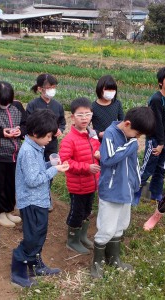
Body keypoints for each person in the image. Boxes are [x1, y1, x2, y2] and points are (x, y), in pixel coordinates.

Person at [90, 106, 155, 279]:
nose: (138, 138)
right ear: (127, 124)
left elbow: (133, 165)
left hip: (126, 190)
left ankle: (113, 258)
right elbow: (108, 158)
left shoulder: (129, 137)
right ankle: (97, 264)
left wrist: (136, 184)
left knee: (120, 225)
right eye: (138, 133)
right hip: (112, 191)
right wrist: (131, 144)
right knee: (107, 227)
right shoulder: (111, 134)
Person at [11, 109, 69, 288]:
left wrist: (49, 164)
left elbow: (36, 170)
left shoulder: (36, 147)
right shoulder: (28, 151)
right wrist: (54, 170)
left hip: (39, 200)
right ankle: (18, 272)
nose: (50, 139)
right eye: (49, 136)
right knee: (32, 237)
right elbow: (33, 180)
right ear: (36, 133)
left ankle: (35, 265)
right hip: (31, 201)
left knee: (39, 234)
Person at [59, 97, 101, 255]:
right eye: (80, 115)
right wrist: (86, 167)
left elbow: (97, 152)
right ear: (72, 117)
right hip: (78, 185)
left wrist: (100, 155)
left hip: (92, 183)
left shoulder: (92, 135)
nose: (84, 118)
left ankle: (82, 237)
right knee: (76, 213)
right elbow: (65, 161)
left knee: (87, 211)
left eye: (87, 114)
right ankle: (72, 240)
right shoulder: (70, 140)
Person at [136, 66, 165, 203]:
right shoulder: (157, 99)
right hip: (155, 141)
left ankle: (156, 195)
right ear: (161, 82)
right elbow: (157, 124)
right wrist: (161, 143)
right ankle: (134, 194)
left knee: (161, 169)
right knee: (147, 168)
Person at [26, 73, 66, 211]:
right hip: (37, 145)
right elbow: (28, 125)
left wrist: (60, 129)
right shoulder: (33, 105)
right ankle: (35, 196)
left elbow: (62, 122)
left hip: (52, 144)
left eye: (54, 87)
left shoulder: (58, 105)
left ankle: (46, 195)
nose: (51, 90)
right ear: (40, 89)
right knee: (36, 169)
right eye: (49, 87)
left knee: (50, 167)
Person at [0, 81, 26, 228]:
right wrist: (1, 133)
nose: (5, 105)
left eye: (7, 102)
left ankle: (9, 210)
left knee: (12, 184)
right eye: (1, 102)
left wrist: (20, 131)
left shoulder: (17, 106)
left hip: (15, 153)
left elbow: (26, 123)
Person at [91, 75, 124, 141]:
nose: (111, 92)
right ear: (100, 89)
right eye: (108, 89)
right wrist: (99, 133)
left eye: (113, 89)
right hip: (98, 141)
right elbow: (86, 126)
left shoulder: (117, 104)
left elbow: (123, 121)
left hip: (114, 140)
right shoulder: (93, 106)